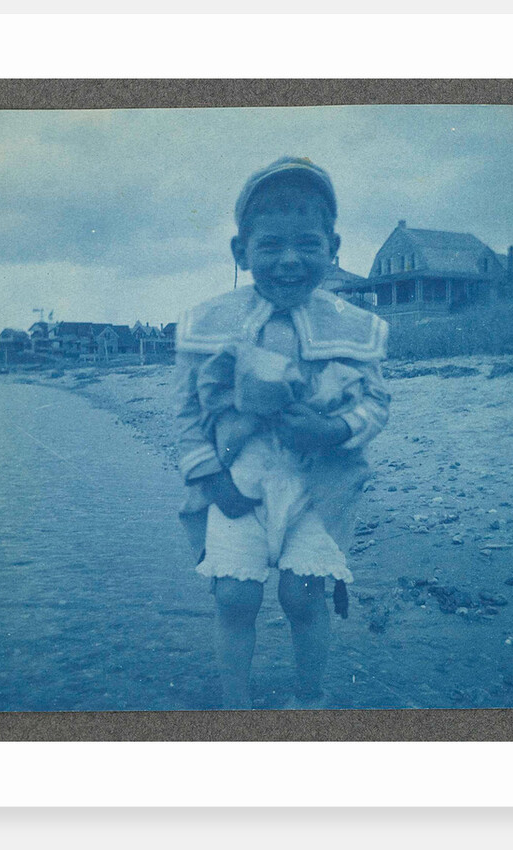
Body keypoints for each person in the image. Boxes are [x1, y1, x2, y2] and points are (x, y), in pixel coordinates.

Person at [174, 157, 391, 709]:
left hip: (318, 483)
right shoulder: (208, 322)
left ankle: (309, 699)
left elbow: (375, 403)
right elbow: (186, 415)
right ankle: (235, 703)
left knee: (302, 595)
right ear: (240, 253)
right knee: (235, 596)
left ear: (333, 247)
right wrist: (213, 478)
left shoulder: (353, 326)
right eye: (270, 246)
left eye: (307, 244)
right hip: (236, 478)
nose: (289, 260)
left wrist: (332, 428)